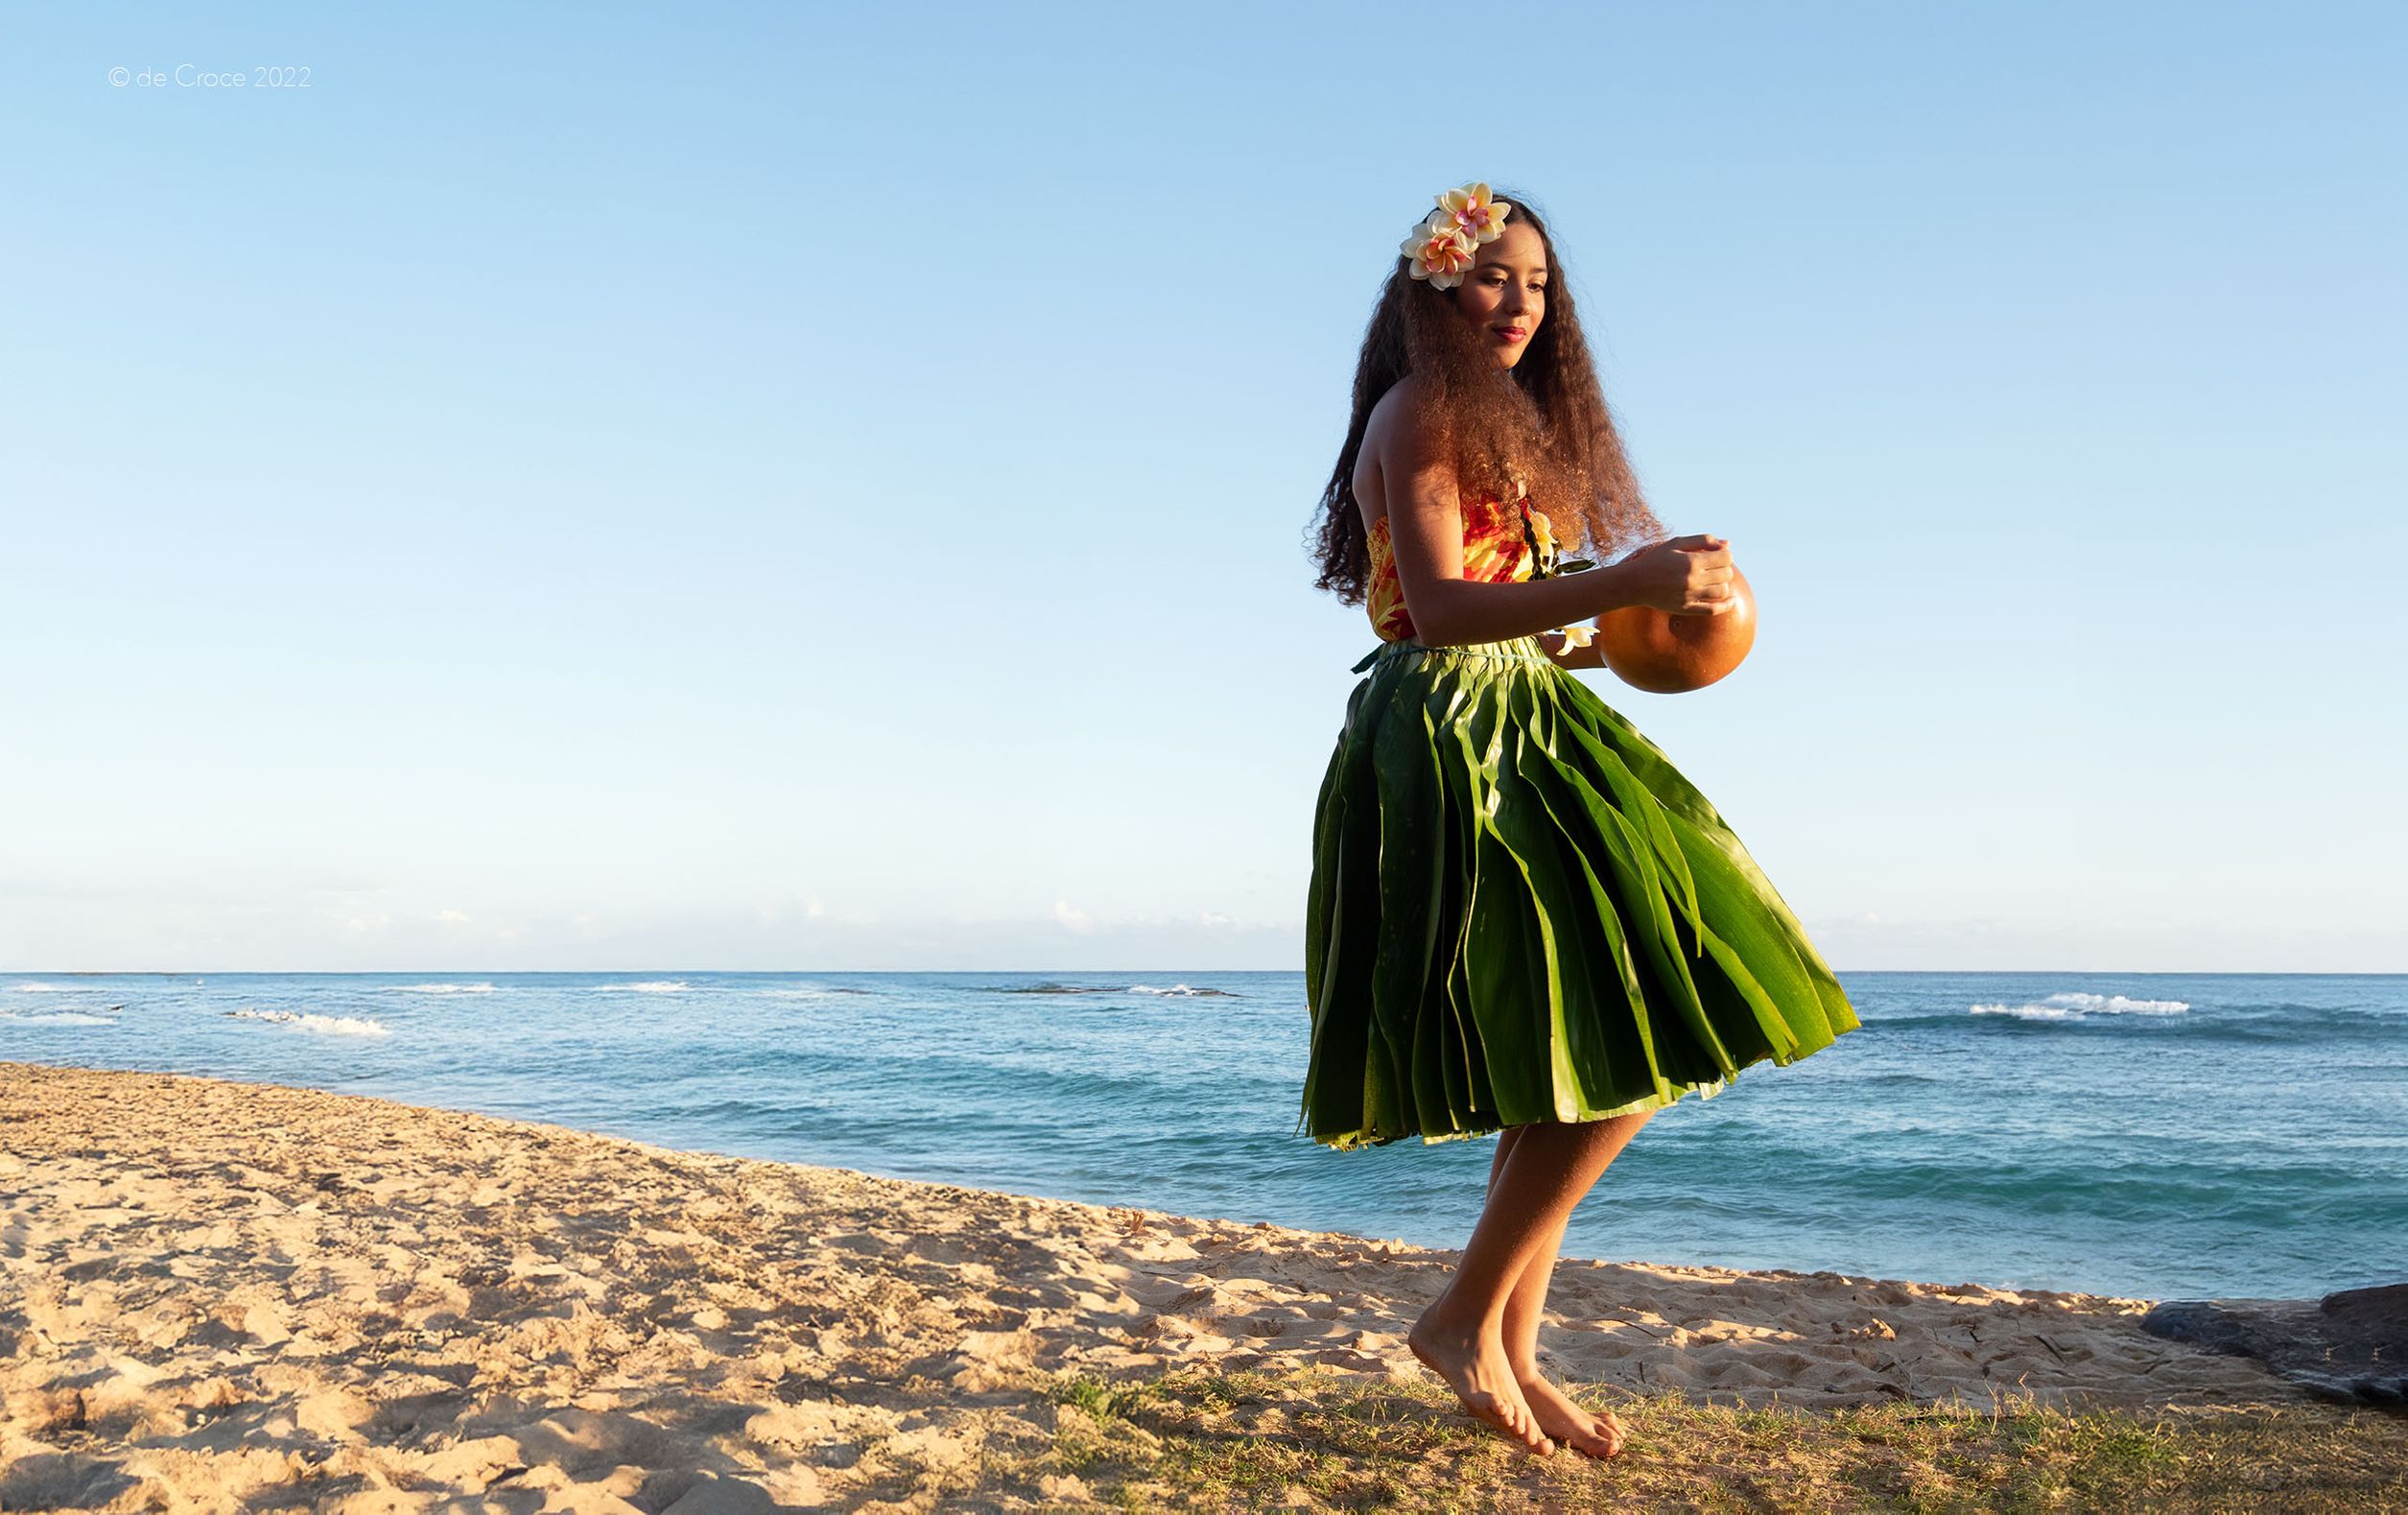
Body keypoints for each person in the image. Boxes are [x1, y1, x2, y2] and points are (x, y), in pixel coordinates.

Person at [1301, 182, 1864, 1460]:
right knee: (1637, 1018)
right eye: (1493, 275)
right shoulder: (1419, 411)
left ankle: (1507, 1342)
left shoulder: (1502, 427)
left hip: (1518, 714)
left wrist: (1628, 629)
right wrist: (1620, 577)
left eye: (1538, 283)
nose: (1518, 303)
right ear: (1436, 285)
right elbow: (1435, 609)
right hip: (1452, 739)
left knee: (1568, 1037)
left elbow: (1517, 616)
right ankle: (1457, 1319)